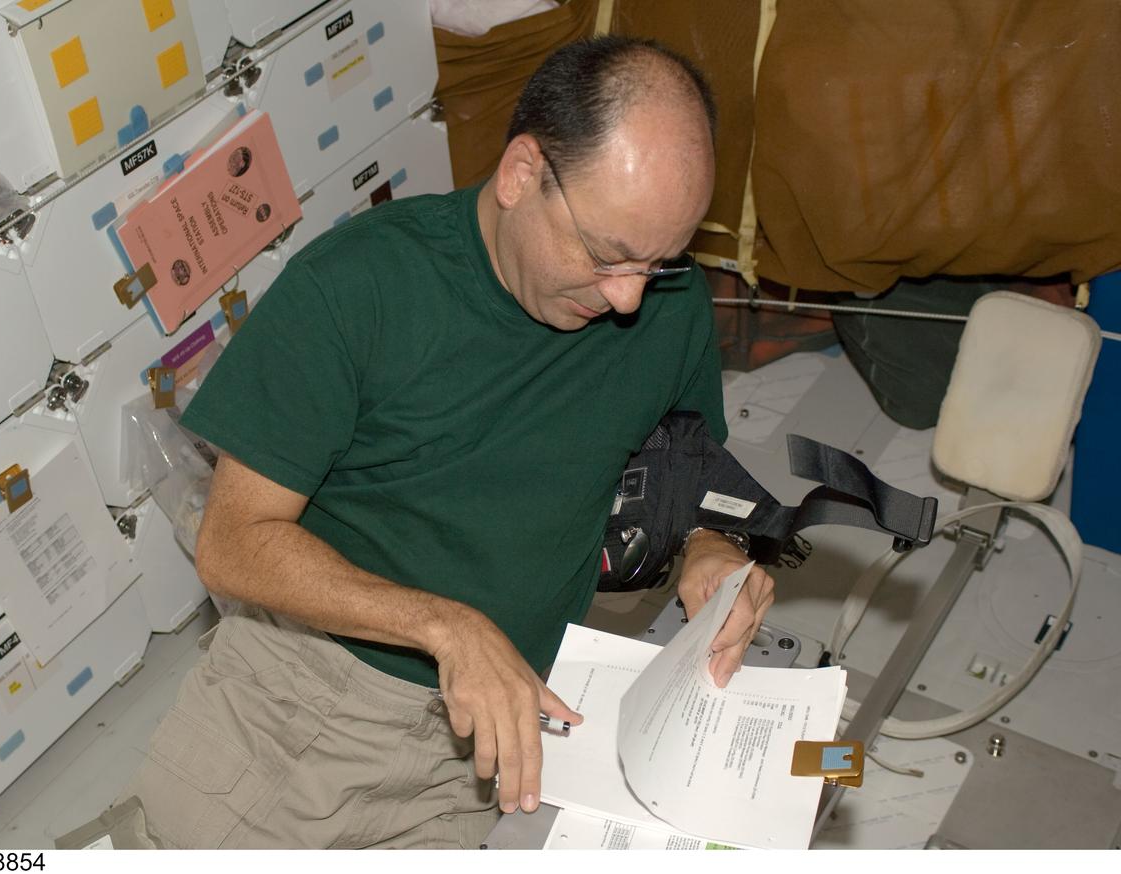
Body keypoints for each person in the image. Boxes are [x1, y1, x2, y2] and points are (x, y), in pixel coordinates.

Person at [120, 35, 775, 849]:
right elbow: (232, 546)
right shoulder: (354, 291)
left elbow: (691, 458)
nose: (630, 295)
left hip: (497, 727)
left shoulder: (664, 298)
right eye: (608, 254)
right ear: (521, 174)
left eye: (662, 259)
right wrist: (450, 629)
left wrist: (712, 545)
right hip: (310, 704)